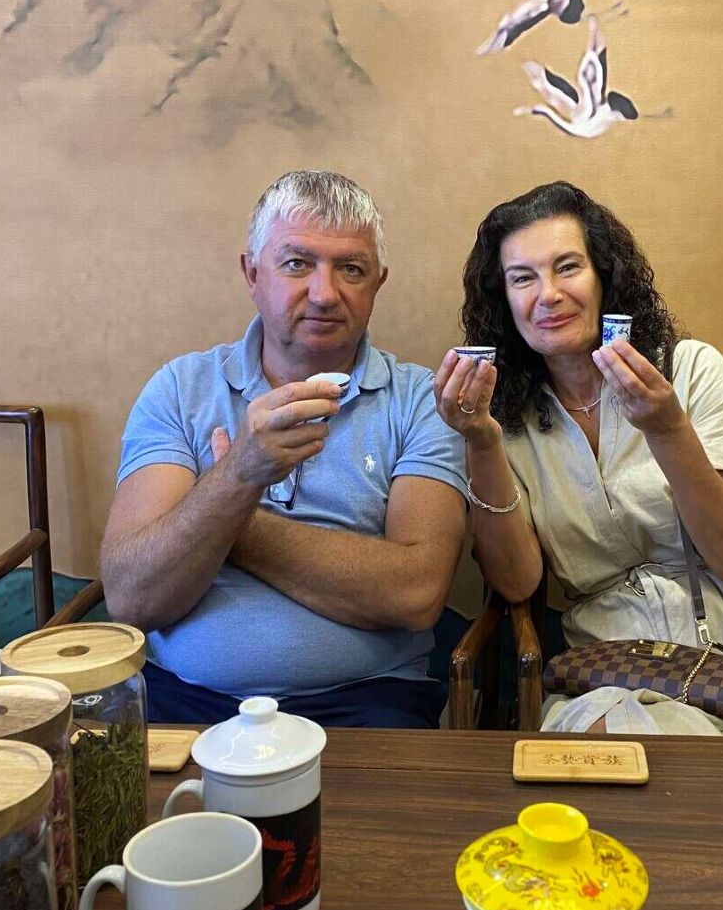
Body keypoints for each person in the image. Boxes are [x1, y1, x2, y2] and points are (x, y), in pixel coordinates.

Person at [434, 181, 723, 737]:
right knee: (621, 764)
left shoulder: (691, 370)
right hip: (615, 663)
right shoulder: (505, 417)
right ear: (503, 299)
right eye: (523, 278)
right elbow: (517, 583)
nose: (548, 294)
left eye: (568, 267)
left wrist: (667, 429)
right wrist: (481, 443)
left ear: (604, 277)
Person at [100, 170, 468, 727]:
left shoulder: (422, 399)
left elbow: (416, 595)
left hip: (367, 701)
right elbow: (132, 597)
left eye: (351, 269)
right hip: (182, 699)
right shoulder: (180, 388)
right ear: (252, 273)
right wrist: (243, 473)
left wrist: (224, 507)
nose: (324, 294)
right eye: (297, 263)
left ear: (378, 284)